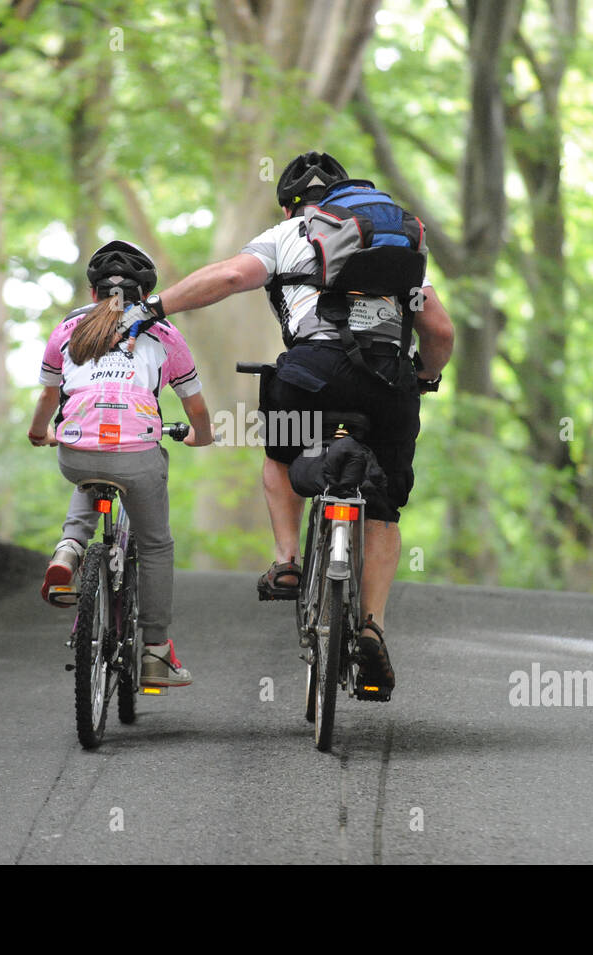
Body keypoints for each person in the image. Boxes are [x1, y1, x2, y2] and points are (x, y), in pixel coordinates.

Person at [139, 151, 454, 701]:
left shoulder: (290, 232)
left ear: (290, 203)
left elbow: (233, 276)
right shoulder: (398, 238)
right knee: (382, 509)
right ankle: (373, 627)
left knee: (281, 456)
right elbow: (441, 331)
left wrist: (156, 307)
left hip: (313, 374)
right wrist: (423, 375)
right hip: (390, 384)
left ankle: (286, 561)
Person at [27, 240, 214, 687]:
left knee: (91, 465)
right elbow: (198, 411)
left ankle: (70, 548)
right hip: (135, 457)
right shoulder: (165, 334)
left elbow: (49, 396)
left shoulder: (69, 327)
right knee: (154, 546)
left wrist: (39, 432)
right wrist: (201, 437)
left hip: (74, 453)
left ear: (93, 293)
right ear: (148, 294)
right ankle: (155, 653)